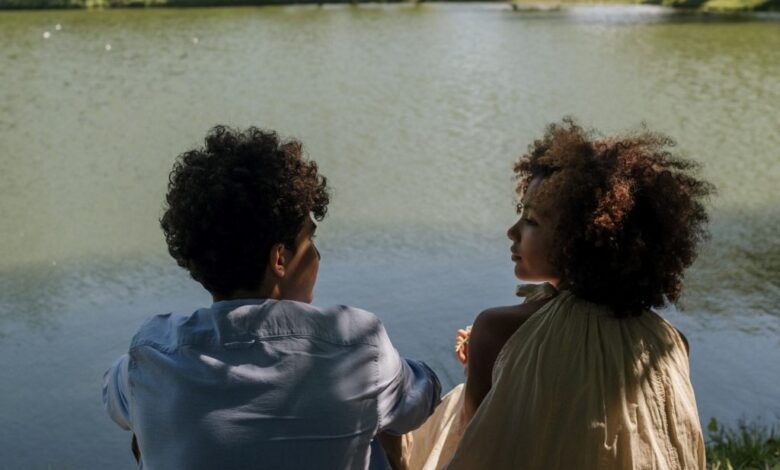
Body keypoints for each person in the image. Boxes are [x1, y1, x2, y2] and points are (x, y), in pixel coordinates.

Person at [102, 126, 441, 470]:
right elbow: (423, 398)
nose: (317, 256)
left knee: (146, 426)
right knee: (380, 419)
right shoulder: (355, 344)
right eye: (310, 240)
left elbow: (114, 398)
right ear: (280, 258)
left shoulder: (152, 354)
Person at [405, 118, 710, 469]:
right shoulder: (670, 343)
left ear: (579, 239)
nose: (512, 231)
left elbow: (476, 446)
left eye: (531, 220)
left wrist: (484, 362)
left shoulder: (496, 330)